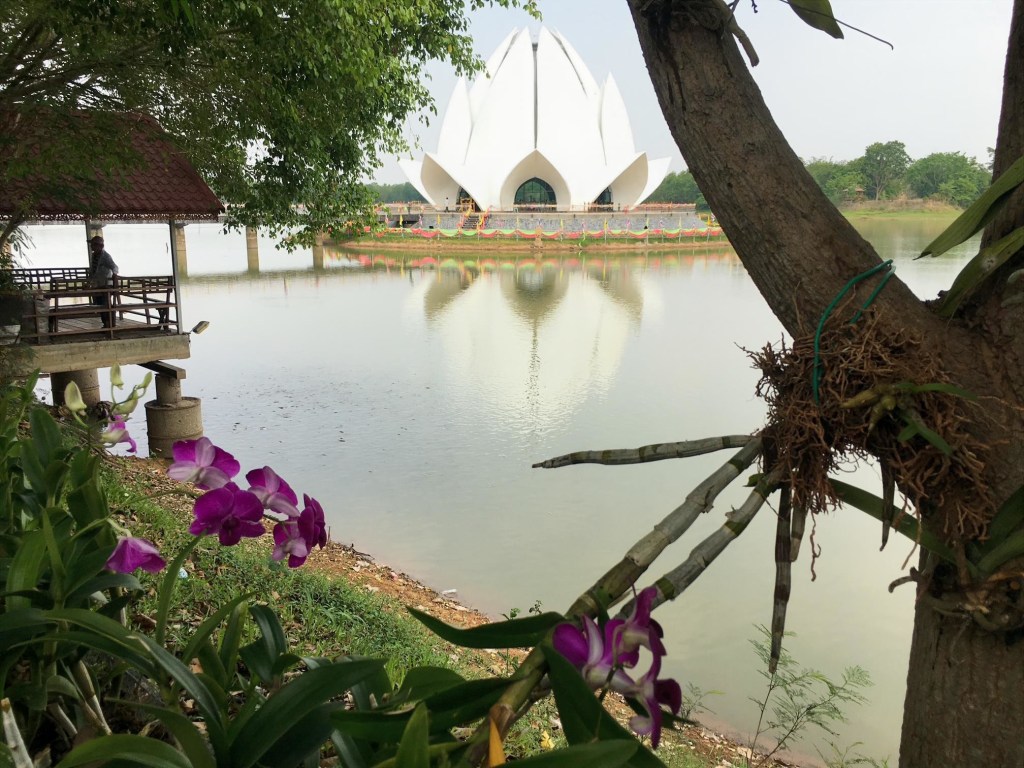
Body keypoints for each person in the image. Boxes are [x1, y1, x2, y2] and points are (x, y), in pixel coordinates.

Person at [88, 235, 118, 328]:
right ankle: (106, 324)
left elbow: (114, 267)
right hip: (98, 284)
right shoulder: (94, 255)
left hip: (106, 285)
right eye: (92, 244)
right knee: (100, 304)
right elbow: (93, 271)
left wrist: (114, 275)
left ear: (101, 246)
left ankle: (110, 324)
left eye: (94, 244)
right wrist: (89, 282)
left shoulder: (106, 256)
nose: (92, 246)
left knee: (105, 304)